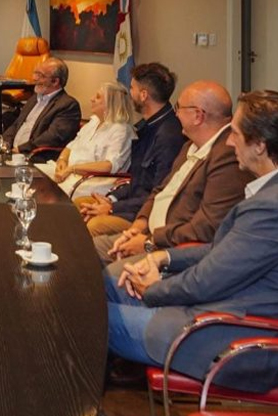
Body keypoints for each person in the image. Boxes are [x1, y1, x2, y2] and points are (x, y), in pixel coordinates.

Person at [106, 90, 278, 393]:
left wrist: (154, 288)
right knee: (110, 281)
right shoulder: (266, 195)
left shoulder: (269, 207)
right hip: (217, 310)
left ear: (260, 145)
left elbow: (208, 281)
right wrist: (164, 258)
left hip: (228, 337)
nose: (229, 142)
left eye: (236, 134)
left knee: (86, 316)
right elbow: (221, 251)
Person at [93, 81, 252, 263]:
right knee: (86, 248)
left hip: (171, 250)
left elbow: (207, 227)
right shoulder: (189, 145)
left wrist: (150, 241)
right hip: (149, 235)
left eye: (179, 107)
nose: (176, 114)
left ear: (198, 116)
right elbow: (160, 189)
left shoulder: (227, 156)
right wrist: (139, 225)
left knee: (106, 269)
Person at [76, 63, 186, 237]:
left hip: (144, 214)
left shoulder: (168, 136)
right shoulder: (147, 126)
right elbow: (136, 180)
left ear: (143, 95)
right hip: (130, 202)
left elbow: (158, 193)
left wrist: (112, 207)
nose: (130, 93)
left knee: (95, 225)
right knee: (79, 205)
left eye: (132, 88)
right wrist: (111, 198)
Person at [35, 81, 135, 197]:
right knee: (32, 173)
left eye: (98, 97)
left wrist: (72, 169)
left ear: (111, 104)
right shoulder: (94, 122)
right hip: (70, 171)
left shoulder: (121, 130)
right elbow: (71, 146)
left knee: (45, 191)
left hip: (91, 181)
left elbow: (109, 165)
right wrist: (62, 161)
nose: (92, 99)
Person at [2, 57, 82, 158]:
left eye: (41, 75)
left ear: (55, 81)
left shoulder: (68, 105)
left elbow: (52, 137)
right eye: (35, 73)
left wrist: (21, 149)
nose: (35, 78)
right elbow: (17, 124)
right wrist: (5, 143)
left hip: (35, 156)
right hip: (13, 153)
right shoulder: (34, 98)